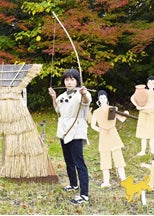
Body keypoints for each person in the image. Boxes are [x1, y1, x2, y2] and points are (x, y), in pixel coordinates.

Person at [48, 68, 91, 205]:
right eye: (67, 79)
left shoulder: (81, 93)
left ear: (77, 81)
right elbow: (57, 110)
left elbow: (86, 100)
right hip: (64, 130)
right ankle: (73, 184)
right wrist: (54, 97)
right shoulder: (62, 96)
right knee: (68, 160)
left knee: (79, 163)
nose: (69, 82)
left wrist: (84, 94)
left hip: (76, 130)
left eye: (72, 79)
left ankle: (84, 195)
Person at [90, 90, 127, 187]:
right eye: (101, 98)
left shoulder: (112, 109)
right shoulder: (96, 112)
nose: (103, 99)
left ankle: (123, 179)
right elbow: (93, 125)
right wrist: (101, 130)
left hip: (113, 134)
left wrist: (125, 113)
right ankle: (106, 181)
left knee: (118, 157)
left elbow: (122, 119)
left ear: (107, 99)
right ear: (98, 100)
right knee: (105, 158)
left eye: (104, 97)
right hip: (103, 136)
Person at [130, 76, 154, 156]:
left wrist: (142, 107)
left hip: (151, 115)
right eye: (149, 82)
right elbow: (132, 98)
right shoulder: (143, 91)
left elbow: (153, 106)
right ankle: (143, 151)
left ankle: (152, 150)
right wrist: (136, 105)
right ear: (147, 83)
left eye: (153, 83)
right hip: (143, 115)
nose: (151, 84)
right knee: (143, 133)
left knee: (152, 134)